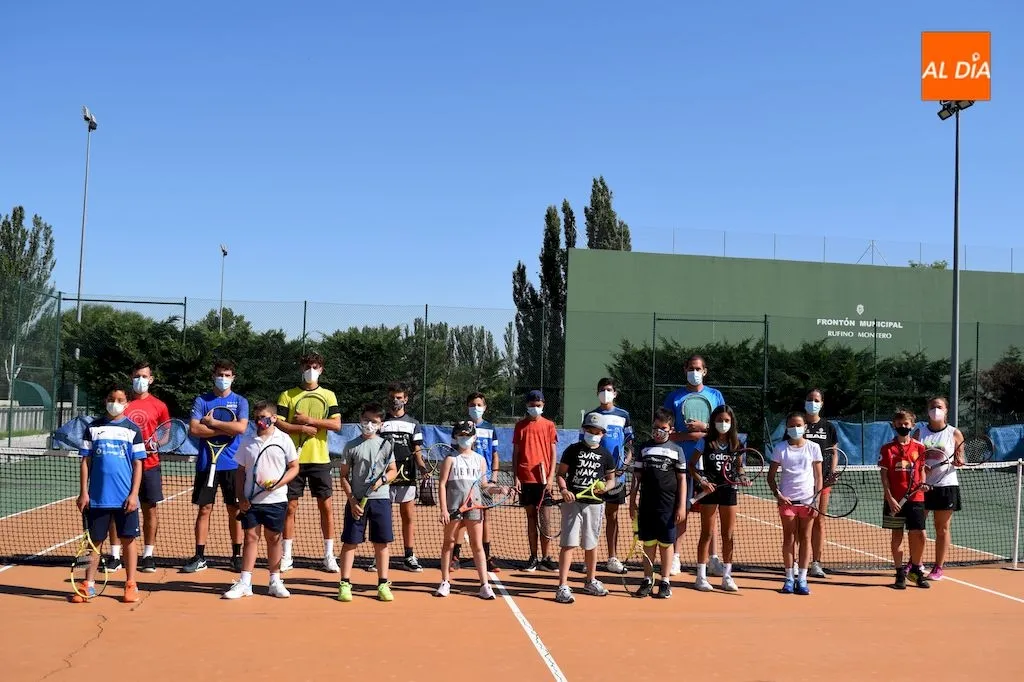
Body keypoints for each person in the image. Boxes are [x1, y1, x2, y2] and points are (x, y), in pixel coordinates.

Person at [72, 386, 145, 603]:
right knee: (93, 543)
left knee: (128, 541)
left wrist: (134, 495)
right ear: (106, 400)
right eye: (112, 398)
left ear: (127, 403)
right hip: (97, 498)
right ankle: (88, 584)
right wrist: (83, 492)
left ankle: (131, 584)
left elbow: (138, 464)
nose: (115, 402)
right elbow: (85, 461)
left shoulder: (133, 429)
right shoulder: (93, 428)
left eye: (120, 399)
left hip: (125, 499)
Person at [223, 402, 300, 599]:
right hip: (251, 501)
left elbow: (294, 467)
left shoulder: (284, 439)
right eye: (257, 417)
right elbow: (240, 471)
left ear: (274, 418)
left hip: (276, 499)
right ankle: (245, 583)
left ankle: (275, 581)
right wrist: (241, 497)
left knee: (274, 539)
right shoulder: (247, 440)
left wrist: (279, 483)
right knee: (250, 538)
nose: (260, 421)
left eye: (264, 417)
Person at [276, 352, 342, 573]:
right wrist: (301, 428)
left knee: (326, 507)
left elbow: (336, 425)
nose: (310, 370)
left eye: (314, 366)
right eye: (307, 366)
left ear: (321, 369)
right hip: (293, 460)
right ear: (301, 368)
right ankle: (286, 556)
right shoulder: (287, 395)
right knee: (290, 508)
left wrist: (310, 421)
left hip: (320, 460)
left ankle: (329, 555)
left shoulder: (329, 395)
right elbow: (280, 425)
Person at [662, 354, 726, 576]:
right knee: (681, 511)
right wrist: (691, 435)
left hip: (709, 464)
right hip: (682, 463)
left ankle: (713, 559)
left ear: (705, 371)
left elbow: (723, 429)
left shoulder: (716, 396)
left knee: (711, 514)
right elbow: (667, 432)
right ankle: (675, 558)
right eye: (691, 368)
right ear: (685, 369)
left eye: (698, 368)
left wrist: (702, 427)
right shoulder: (675, 397)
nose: (694, 371)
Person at [184, 360, 249, 573]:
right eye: (220, 374)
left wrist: (212, 424)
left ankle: (236, 556)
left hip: (233, 465)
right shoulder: (202, 400)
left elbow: (240, 427)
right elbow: (194, 429)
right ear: (213, 375)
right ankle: (200, 556)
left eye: (228, 375)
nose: (223, 378)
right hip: (206, 464)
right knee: (205, 509)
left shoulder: (240, 401)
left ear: (233, 377)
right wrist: (224, 430)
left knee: (235, 509)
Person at [111, 361, 170, 574]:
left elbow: (166, 433)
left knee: (149, 510)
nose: (140, 380)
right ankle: (115, 556)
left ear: (151, 379)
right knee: (117, 508)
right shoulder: (122, 403)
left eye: (144, 376)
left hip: (150, 465)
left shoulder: (160, 405)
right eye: (137, 376)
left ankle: (148, 555)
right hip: (123, 466)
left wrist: (158, 444)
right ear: (131, 377)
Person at [338, 402, 397, 602]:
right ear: (360, 420)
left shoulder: (386, 445)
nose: (369, 424)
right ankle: (345, 583)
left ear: (380, 424)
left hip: (380, 500)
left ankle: (382, 584)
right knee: (350, 542)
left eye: (374, 421)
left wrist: (382, 480)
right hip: (357, 502)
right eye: (366, 420)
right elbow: (344, 476)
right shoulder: (351, 446)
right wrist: (353, 500)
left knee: (381, 544)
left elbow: (392, 471)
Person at [554, 412, 616, 604]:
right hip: (572, 503)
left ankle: (590, 580)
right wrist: (564, 490)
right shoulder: (572, 450)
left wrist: (605, 488)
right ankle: (562, 586)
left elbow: (611, 480)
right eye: (590, 430)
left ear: (603, 434)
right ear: (584, 430)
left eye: (597, 431)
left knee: (591, 544)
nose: (593, 434)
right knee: (568, 543)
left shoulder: (606, 455)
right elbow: (561, 474)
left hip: (595, 505)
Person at [629, 407, 687, 599]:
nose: (658, 430)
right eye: (655, 427)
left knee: (666, 543)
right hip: (647, 505)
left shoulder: (677, 451)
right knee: (649, 543)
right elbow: (636, 477)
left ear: (671, 429)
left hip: (668, 506)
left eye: (663, 427)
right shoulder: (644, 448)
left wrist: (681, 506)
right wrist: (632, 500)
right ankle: (647, 579)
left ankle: (665, 581)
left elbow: (682, 480)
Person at [435, 420, 496, 600]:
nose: (464, 438)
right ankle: (445, 581)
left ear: (474, 437)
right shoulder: (450, 459)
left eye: (468, 435)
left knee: (477, 545)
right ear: (455, 437)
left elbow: (484, 486)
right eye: (461, 435)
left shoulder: (480, 460)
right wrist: (444, 509)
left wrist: (498, 489)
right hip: (454, 506)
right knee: (449, 543)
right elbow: (442, 484)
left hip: (473, 506)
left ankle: (484, 585)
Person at [580, 378, 634, 575]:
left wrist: (625, 464)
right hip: (594, 477)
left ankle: (612, 557)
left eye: (609, 389)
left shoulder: (624, 415)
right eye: (602, 389)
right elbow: (583, 445)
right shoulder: (591, 416)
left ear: (615, 393)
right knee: (591, 518)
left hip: (616, 477)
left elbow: (630, 444)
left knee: (612, 515)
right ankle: (589, 559)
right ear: (597, 392)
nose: (605, 392)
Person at [767, 411, 822, 596]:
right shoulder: (780, 448)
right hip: (787, 501)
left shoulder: (814, 448)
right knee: (789, 539)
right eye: (791, 425)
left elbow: (819, 476)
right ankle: (789, 577)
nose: (795, 428)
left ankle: (803, 579)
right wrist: (779, 495)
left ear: (805, 427)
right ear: (787, 428)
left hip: (808, 501)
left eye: (798, 425)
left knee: (806, 539)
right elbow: (771, 477)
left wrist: (816, 499)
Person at [688, 405, 741, 593]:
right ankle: (701, 577)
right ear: (713, 422)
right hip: (709, 492)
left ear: (731, 422)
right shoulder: (705, 441)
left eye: (726, 421)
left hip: (729, 492)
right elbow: (691, 465)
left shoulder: (737, 443)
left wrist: (742, 478)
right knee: (706, 534)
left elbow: (739, 468)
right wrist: (702, 481)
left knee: (728, 535)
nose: (723, 424)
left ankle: (727, 576)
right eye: (719, 420)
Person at [376, 382, 426, 573]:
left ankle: (409, 555)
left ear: (405, 399)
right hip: (384, 476)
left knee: (408, 516)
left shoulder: (413, 423)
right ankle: (379, 555)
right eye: (392, 397)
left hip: (408, 474)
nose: (395, 401)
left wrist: (422, 467)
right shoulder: (381, 422)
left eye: (399, 397)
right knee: (383, 516)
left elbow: (417, 449)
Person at [879, 409, 931, 590]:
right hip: (894, 500)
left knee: (920, 535)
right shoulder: (887, 449)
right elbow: (884, 475)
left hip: (916, 498)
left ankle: (916, 569)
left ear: (912, 426)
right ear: (894, 425)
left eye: (906, 424)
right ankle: (900, 573)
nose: (903, 427)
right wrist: (889, 497)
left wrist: (923, 483)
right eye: (900, 424)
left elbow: (922, 470)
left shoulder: (919, 447)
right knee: (897, 536)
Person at [450, 392, 501, 573]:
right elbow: (453, 452)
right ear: (467, 407)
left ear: (485, 407)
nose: (476, 408)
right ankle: (454, 556)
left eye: (479, 405)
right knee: (461, 520)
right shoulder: (461, 427)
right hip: (463, 480)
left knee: (484, 518)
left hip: (483, 481)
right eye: (472, 405)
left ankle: (485, 557)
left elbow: (494, 455)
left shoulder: (490, 428)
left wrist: (494, 477)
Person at [918, 396, 964, 581]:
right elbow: (914, 457)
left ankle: (938, 567)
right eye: (932, 407)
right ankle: (916, 563)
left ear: (946, 410)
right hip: (923, 486)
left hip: (946, 484)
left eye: (939, 407)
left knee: (942, 528)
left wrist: (959, 461)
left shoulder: (954, 433)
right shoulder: (919, 432)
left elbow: (961, 458)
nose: (935, 410)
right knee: (917, 525)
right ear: (927, 410)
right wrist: (921, 467)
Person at [512, 389, 558, 572]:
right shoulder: (520, 426)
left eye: (538, 405)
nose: (535, 408)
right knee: (531, 518)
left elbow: (553, 453)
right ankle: (533, 557)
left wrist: (551, 476)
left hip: (544, 480)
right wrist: (516, 477)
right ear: (527, 406)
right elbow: (516, 454)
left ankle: (546, 558)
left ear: (543, 405)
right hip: (526, 479)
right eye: (532, 405)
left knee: (545, 520)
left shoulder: (549, 426)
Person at [802, 388, 838, 578]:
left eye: (816, 400)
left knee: (819, 521)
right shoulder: (798, 424)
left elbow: (833, 452)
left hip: (822, 482)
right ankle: (800, 562)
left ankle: (816, 562)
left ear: (822, 403)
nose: (813, 402)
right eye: (810, 399)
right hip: (800, 483)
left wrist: (831, 473)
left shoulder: (829, 427)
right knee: (802, 523)